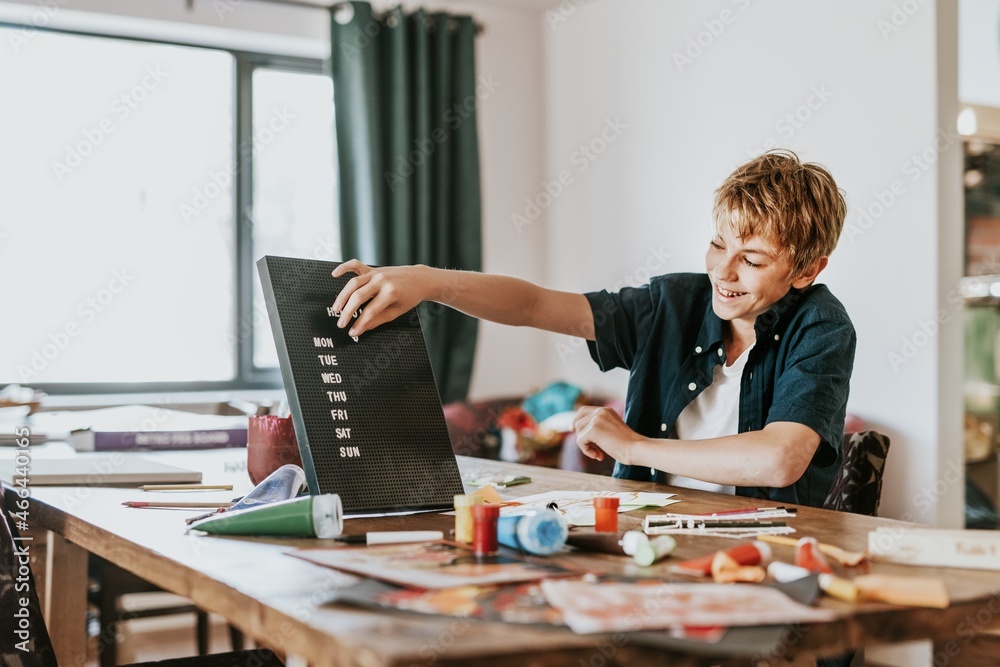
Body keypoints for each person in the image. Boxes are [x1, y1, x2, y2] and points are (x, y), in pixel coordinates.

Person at [330, 150, 855, 508]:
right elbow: (536, 305)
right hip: (646, 537)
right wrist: (429, 282)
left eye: (753, 260)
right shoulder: (672, 302)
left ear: (807, 270)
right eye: (718, 245)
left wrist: (632, 448)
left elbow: (780, 459)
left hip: (766, 557)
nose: (723, 271)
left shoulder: (822, 327)